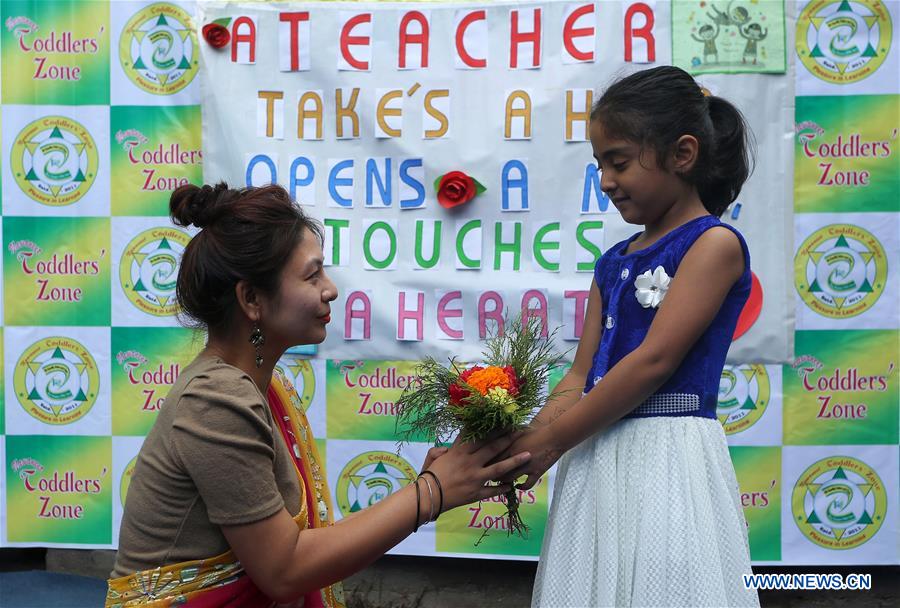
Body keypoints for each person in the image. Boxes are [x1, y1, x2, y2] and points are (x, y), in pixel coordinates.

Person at [106, 183, 531, 607]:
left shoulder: (263, 387)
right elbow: (285, 570)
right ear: (251, 298)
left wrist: (429, 489)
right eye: (312, 276)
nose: (331, 289)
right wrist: (432, 492)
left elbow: (300, 550)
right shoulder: (216, 401)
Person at [503, 66, 761, 606]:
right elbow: (580, 373)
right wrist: (524, 442)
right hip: (593, 454)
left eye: (618, 162)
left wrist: (551, 441)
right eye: (599, 164)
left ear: (682, 154)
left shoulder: (713, 245)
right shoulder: (611, 262)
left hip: (667, 460)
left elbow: (653, 362)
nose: (605, 180)